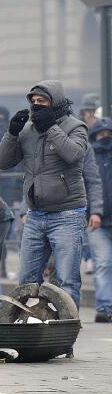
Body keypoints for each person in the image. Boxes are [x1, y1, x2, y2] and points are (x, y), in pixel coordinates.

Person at [0, 81, 88, 307]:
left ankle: (67, 327)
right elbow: (2, 162)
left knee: (66, 280)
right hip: (35, 215)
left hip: (67, 214)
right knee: (26, 280)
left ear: (54, 102)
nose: (37, 106)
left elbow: (74, 154)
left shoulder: (76, 126)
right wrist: (11, 133)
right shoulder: (28, 130)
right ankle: (28, 324)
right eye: (34, 102)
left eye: (42, 102)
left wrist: (51, 128)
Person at [88, 117, 112, 322]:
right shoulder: (89, 157)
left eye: (108, 133)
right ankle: (104, 307)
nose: (105, 138)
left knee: (103, 264)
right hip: (98, 221)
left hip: (98, 219)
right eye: (101, 134)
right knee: (103, 263)